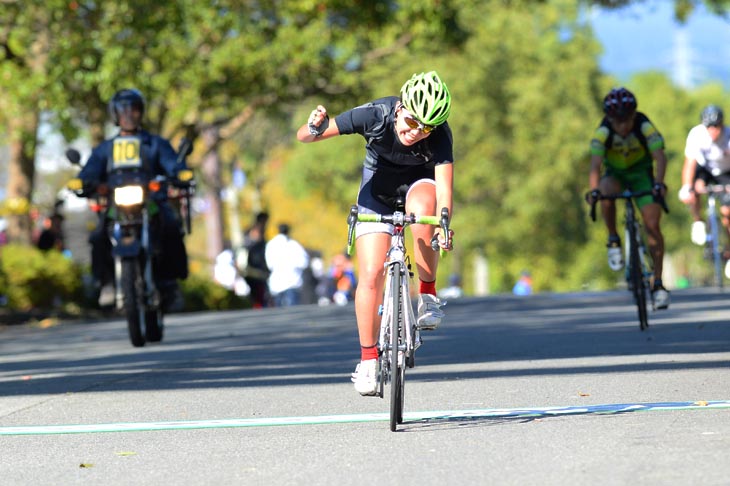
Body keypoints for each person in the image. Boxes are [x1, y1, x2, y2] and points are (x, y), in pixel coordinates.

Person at [296, 71, 454, 396]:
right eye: (412, 121)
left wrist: (444, 224)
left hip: (418, 186)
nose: (416, 132)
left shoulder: (439, 135)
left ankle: (426, 293)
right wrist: (314, 125)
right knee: (370, 273)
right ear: (400, 108)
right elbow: (307, 137)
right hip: (376, 192)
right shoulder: (375, 115)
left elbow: (445, 192)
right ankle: (368, 359)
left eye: (426, 128)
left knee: (425, 208)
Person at [76, 88, 189, 309]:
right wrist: (83, 181)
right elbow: (90, 170)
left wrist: (180, 173)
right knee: (98, 235)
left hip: (152, 202)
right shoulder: (105, 148)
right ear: (115, 115)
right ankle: (106, 282)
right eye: (123, 110)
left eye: (134, 109)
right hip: (116, 206)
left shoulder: (155, 143)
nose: (129, 115)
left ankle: (170, 283)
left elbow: (172, 164)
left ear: (141, 113)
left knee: (172, 227)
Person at [586, 87, 670, 309]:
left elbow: (660, 157)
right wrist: (593, 190)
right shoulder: (603, 131)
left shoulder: (644, 126)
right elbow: (595, 164)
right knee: (604, 191)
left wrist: (659, 183)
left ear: (634, 115)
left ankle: (658, 283)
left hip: (641, 174)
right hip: (616, 174)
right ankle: (613, 239)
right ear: (609, 119)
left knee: (652, 225)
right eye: (617, 122)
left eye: (627, 120)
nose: (622, 127)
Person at [678, 105, 730, 275]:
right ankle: (698, 220)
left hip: (725, 172)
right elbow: (689, 165)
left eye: (716, 126)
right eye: (709, 127)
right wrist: (687, 188)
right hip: (704, 170)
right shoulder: (697, 135)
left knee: (727, 211)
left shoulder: (728, 137)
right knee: (694, 190)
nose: (713, 131)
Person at [264, 223, 309, 307]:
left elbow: (269, 264)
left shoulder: (271, 245)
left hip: (276, 283)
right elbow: (304, 262)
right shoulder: (294, 245)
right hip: (292, 281)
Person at [241, 211, 271, 308]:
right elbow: (254, 249)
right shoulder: (256, 231)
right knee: (259, 293)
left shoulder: (251, 231)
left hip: (255, 267)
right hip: (255, 267)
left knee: (259, 293)